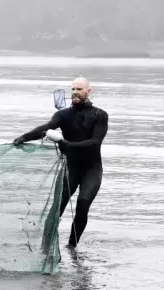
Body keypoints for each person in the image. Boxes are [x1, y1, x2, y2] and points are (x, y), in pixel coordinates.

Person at [13, 76, 108, 248]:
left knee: (83, 204)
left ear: (88, 91)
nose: (75, 92)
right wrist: (24, 137)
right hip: (70, 169)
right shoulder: (63, 115)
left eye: (79, 89)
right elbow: (46, 128)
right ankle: (46, 248)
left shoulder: (99, 115)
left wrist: (68, 145)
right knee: (57, 208)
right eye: (73, 89)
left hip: (91, 170)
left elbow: (95, 141)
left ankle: (72, 247)